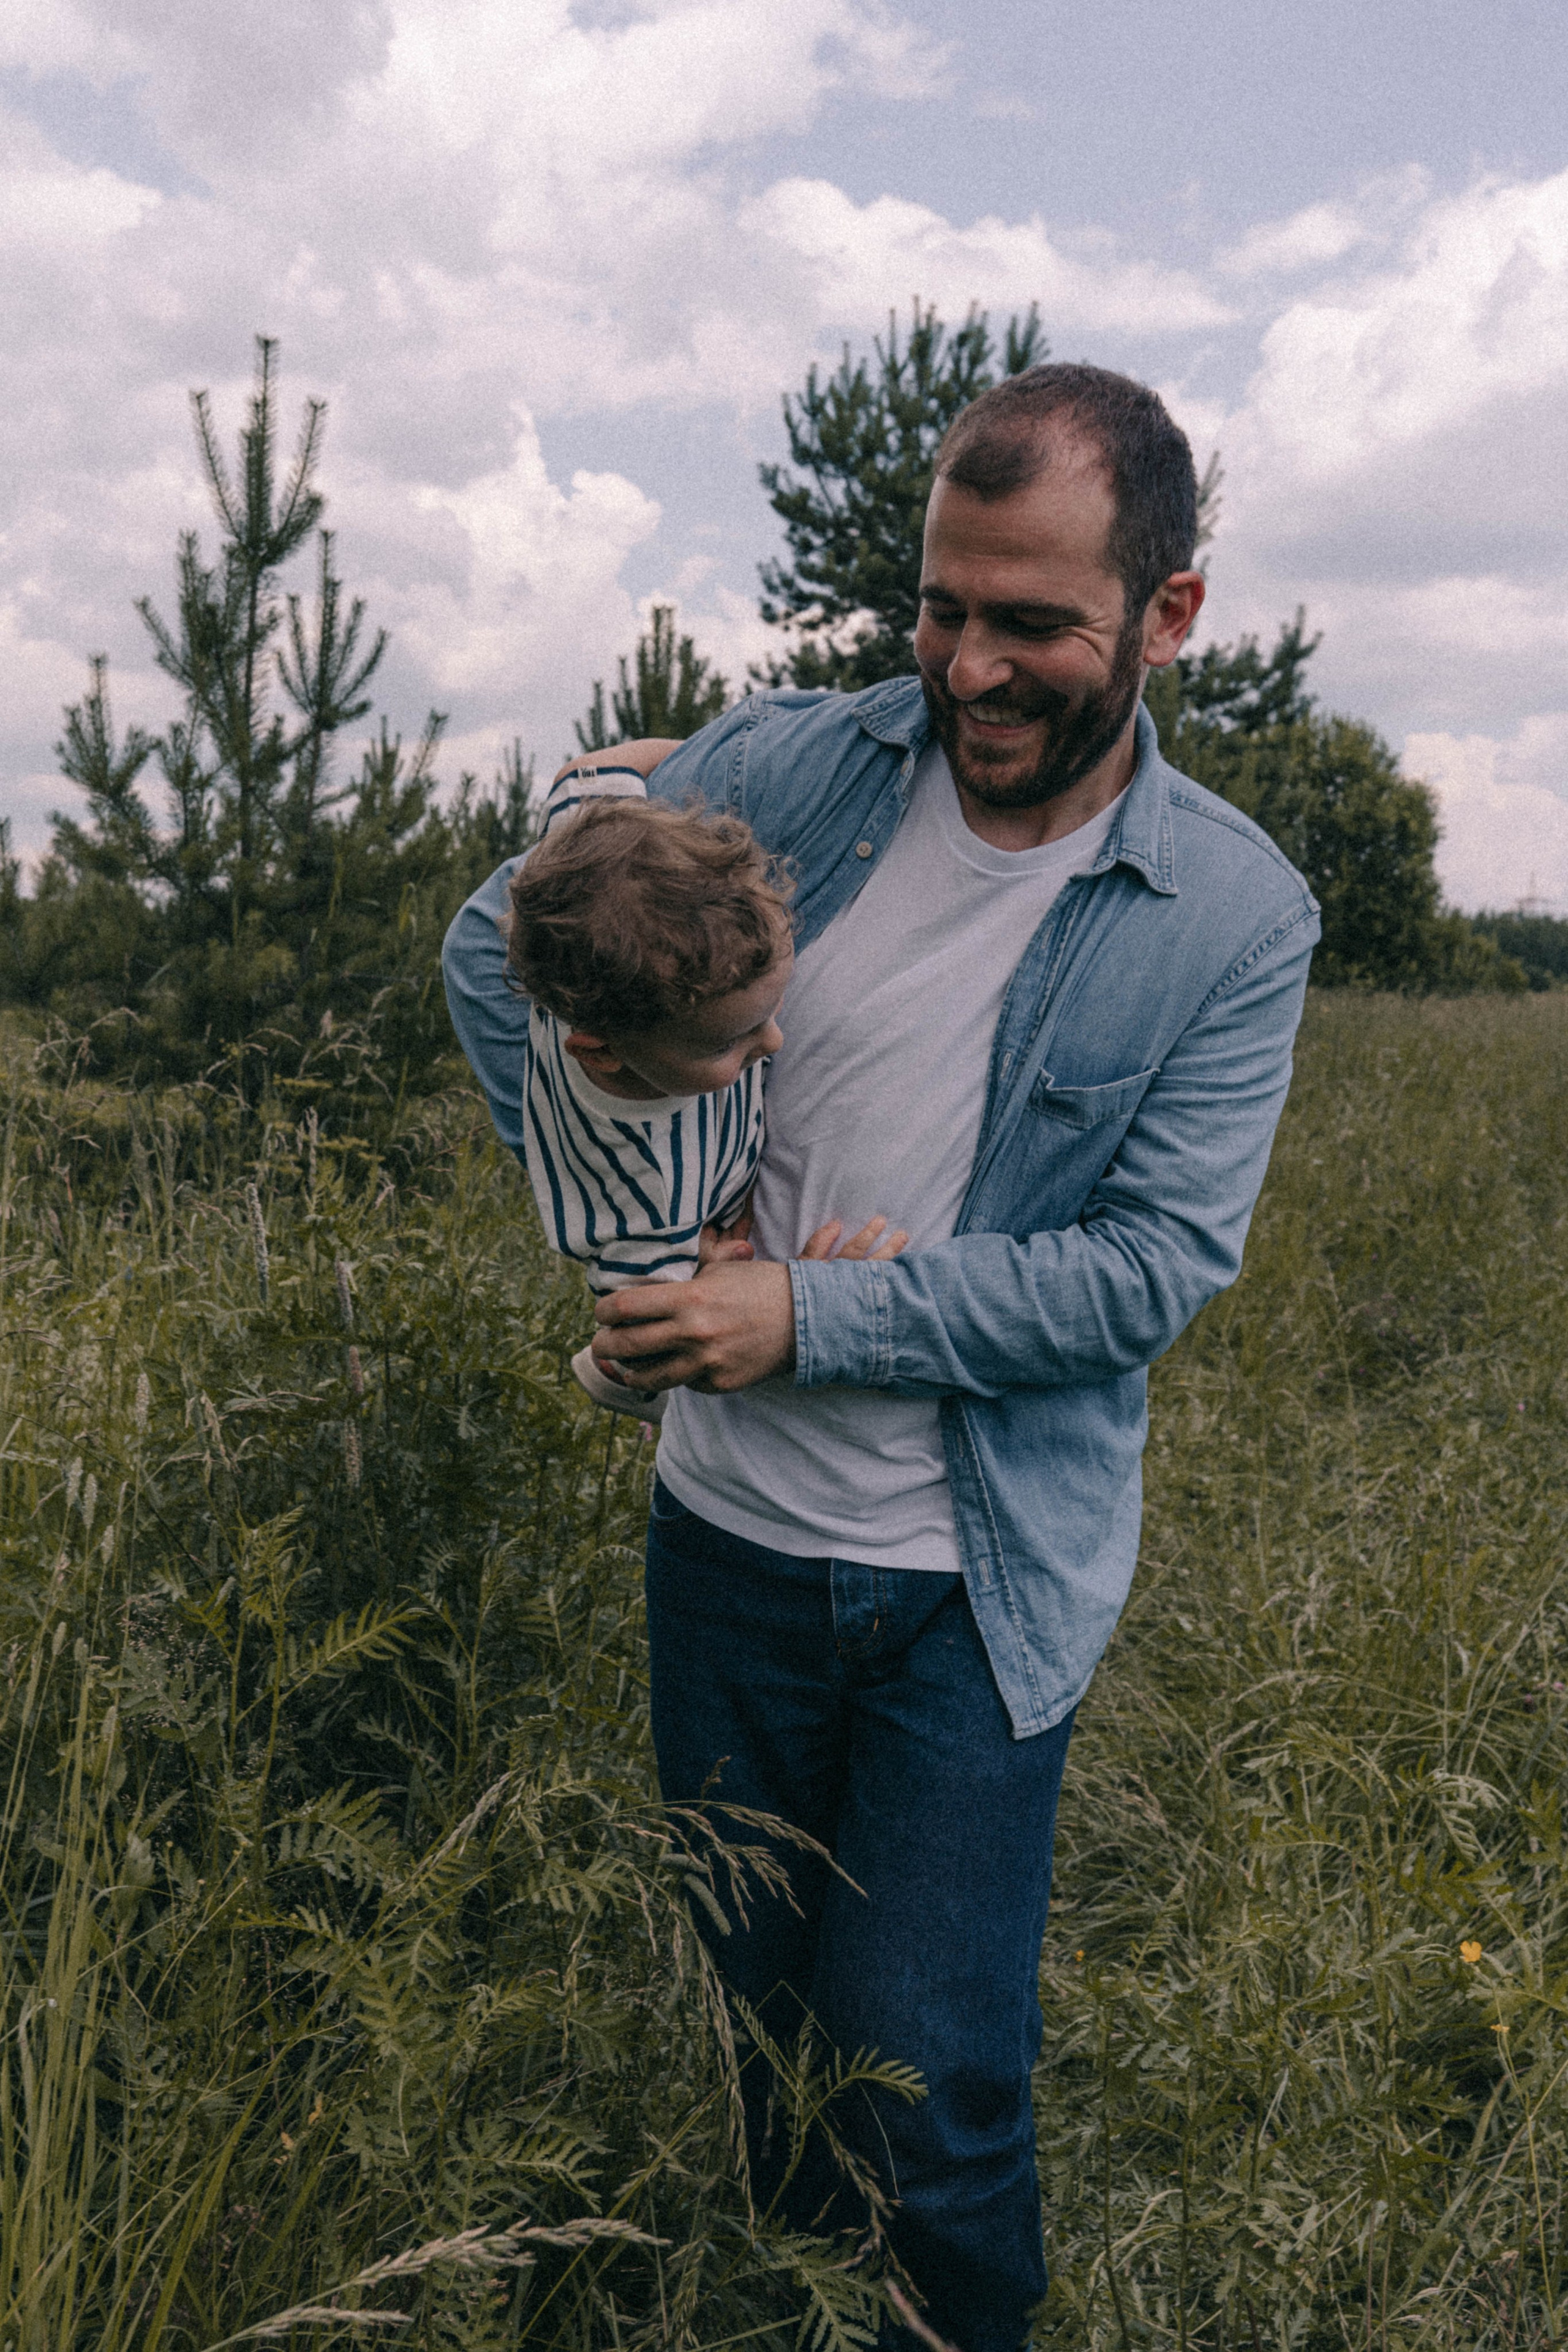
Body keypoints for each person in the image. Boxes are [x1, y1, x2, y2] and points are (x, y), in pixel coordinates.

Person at [443, 361, 1320, 2350]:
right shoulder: (782, 763)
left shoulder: (1234, 915)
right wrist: (647, 1212)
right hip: (727, 1553)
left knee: (924, 2094)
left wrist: (802, 1312)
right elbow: (491, 956)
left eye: (1033, 625)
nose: (970, 668)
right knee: (763, 2059)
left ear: (1169, 614)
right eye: (943, 608)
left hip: (968, 1591)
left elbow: (1144, 1274)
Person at [503, 763, 907, 1417]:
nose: (773, 1042)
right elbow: (642, 1352)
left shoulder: (583, 889)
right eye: (730, 1041)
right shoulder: (650, 1211)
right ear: (601, 1052)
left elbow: (584, 775)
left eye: (771, 1013)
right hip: (698, 1215)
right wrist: (799, 1300)